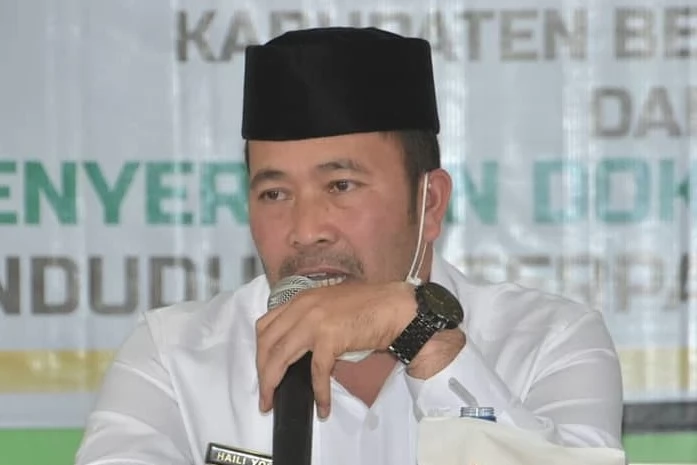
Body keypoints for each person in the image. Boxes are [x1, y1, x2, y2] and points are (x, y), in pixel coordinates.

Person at [75, 27, 623, 465]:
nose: (306, 229)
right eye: (274, 193)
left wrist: (422, 338)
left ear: (430, 202)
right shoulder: (173, 357)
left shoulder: (548, 342)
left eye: (340, 186)